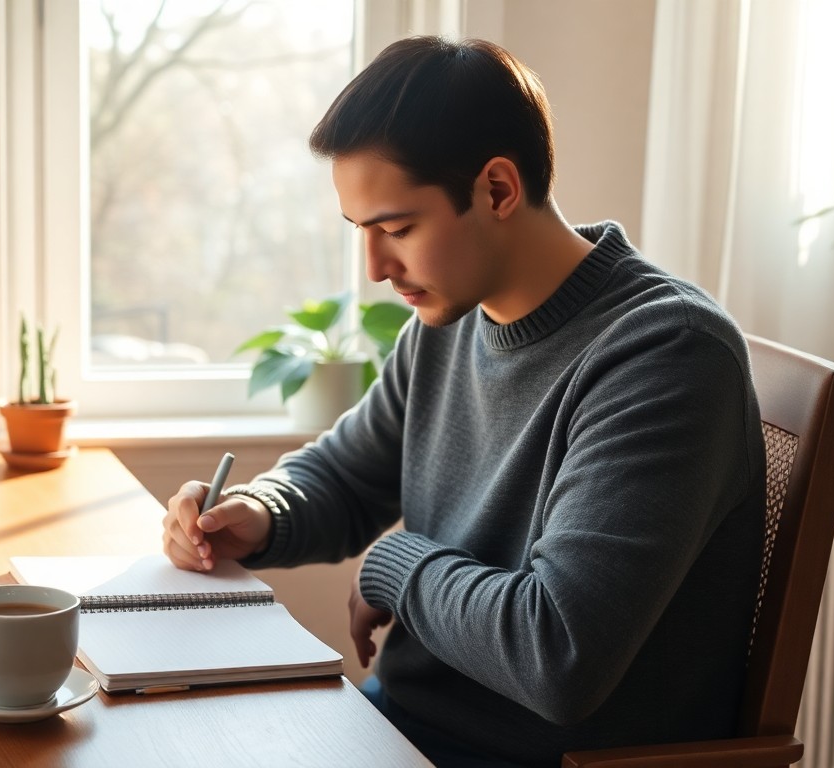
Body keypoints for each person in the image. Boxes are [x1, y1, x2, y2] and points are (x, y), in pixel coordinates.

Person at [161, 36, 764, 767]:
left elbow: (557, 653)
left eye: (398, 229)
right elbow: (347, 474)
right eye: (362, 232)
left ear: (498, 190)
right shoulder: (449, 319)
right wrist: (256, 513)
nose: (377, 267)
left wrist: (395, 566)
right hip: (402, 727)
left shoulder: (665, 353)